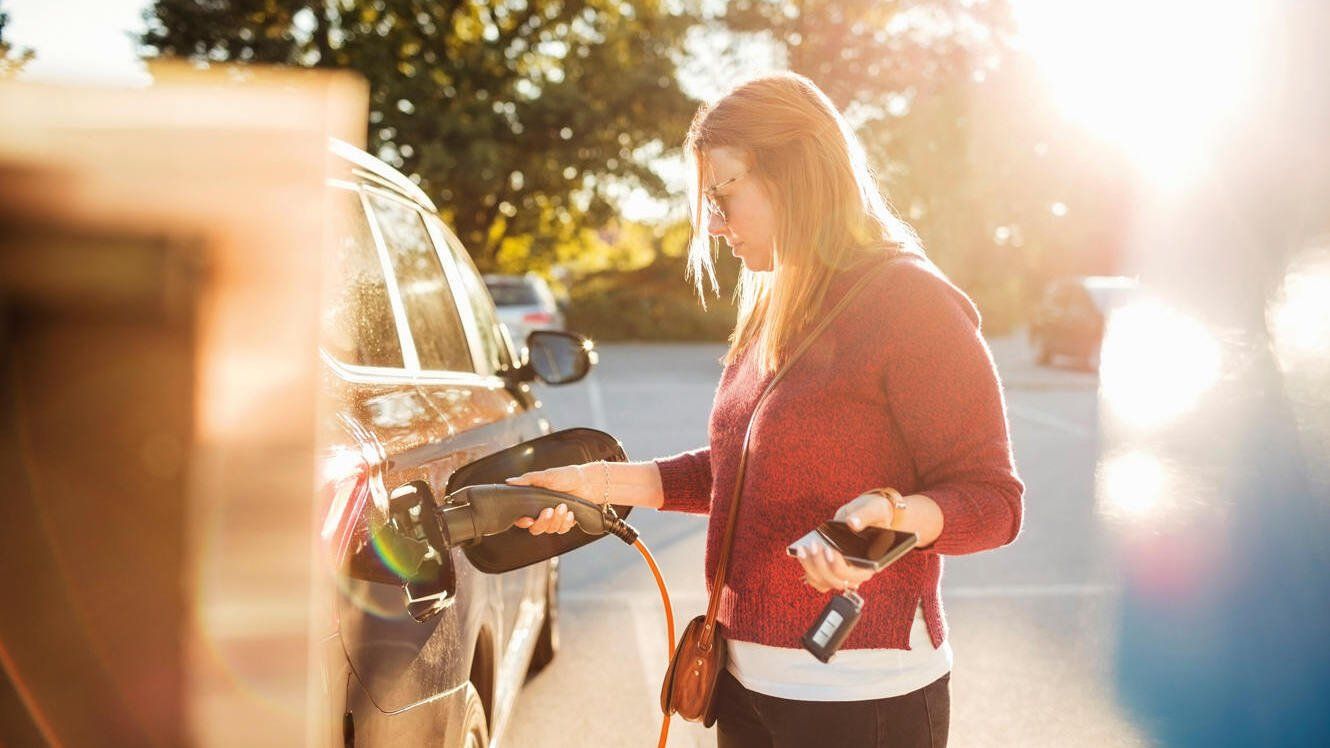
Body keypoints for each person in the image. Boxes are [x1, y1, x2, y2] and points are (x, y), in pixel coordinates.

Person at [507, 72, 1024, 748]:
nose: (714, 225)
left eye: (724, 195)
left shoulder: (912, 303)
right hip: (746, 682)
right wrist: (593, 487)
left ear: (798, 174)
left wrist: (892, 518)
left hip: (864, 698)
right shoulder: (773, 305)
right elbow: (734, 471)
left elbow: (995, 502)